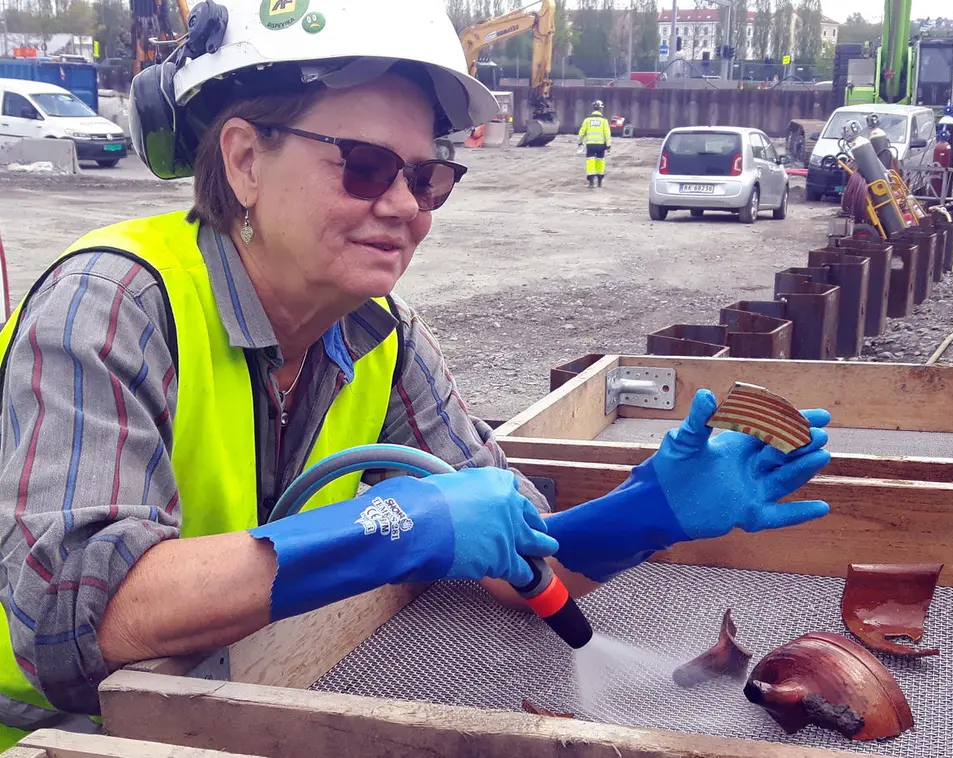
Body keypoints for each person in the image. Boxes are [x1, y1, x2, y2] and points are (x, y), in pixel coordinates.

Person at [0, 0, 833, 747]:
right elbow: (75, 616)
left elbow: (519, 562)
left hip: (234, 709)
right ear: (246, 158)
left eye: (429, 177)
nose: (404, 206)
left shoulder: (381, 338)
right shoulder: (111, 305)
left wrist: (650, 511)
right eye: (363, 165)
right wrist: (395, 526)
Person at [578, 100, 612, 188]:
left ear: (593, 108)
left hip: (591, 145)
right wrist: (608, 145)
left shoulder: (587, 120)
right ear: (600, 109)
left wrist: (579, 142)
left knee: (591, 162)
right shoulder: (604, 120)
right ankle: (600, 181)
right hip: (601, 145)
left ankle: (591, 182)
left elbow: (582, 132)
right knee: (600, 161)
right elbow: (607, 133)